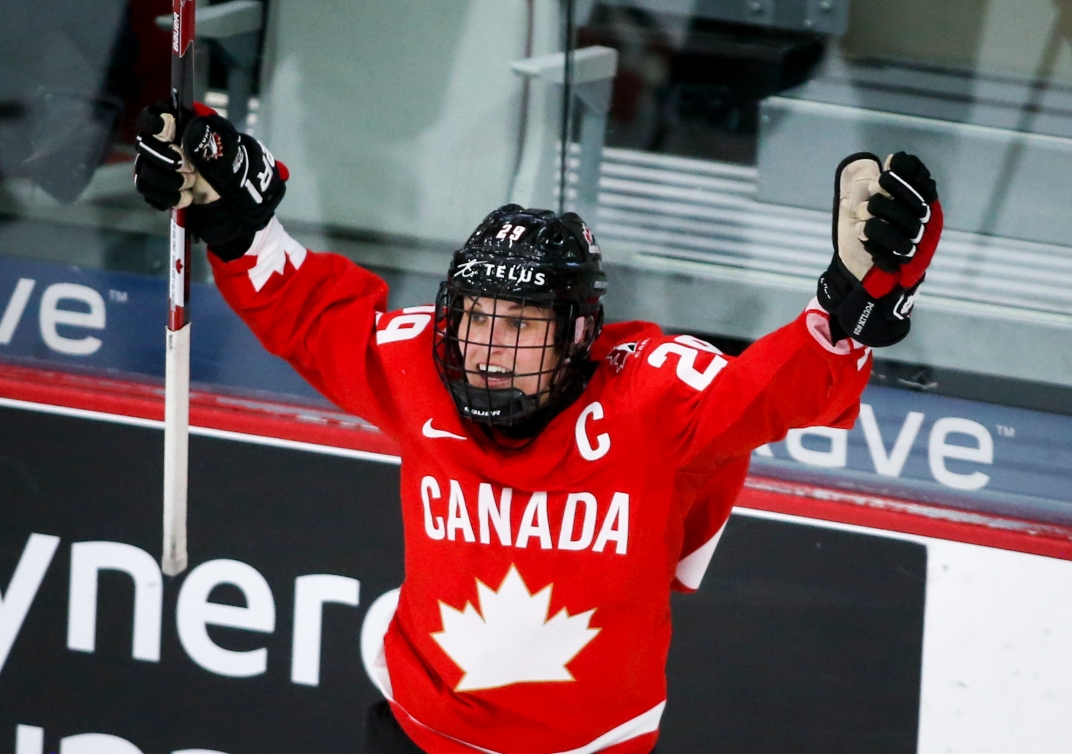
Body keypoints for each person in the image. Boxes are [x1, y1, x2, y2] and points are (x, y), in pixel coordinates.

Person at [134, 104, 942, 754]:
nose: (486, 350)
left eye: (519, 325)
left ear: (582, 334)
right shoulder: (428, 362)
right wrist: (240, 229)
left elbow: (766, 394)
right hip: (417, 734)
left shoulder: (649, 390)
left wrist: (846, 317)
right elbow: (311, 316)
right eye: (476, 317)